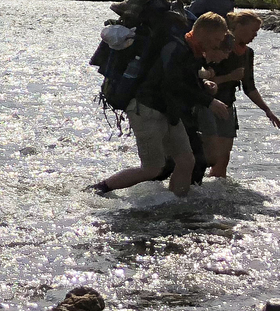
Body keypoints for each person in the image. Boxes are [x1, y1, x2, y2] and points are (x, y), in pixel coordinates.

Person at [96, 12, 233, 198]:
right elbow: (172, 83)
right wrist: (209, 101)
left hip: (169, 112)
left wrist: (204, 87)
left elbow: (186, 83)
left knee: (186, 161)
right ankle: (100, 189)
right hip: (146, 109)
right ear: (203, 32)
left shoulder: (192, 52)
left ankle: (177, 205)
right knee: (152, 169)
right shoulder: (176, 49)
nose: (218, 44)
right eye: (216, 39)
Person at [199, 11, 280, 177]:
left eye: (257, 31)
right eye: (253, 31)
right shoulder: (218, 45)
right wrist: (230, 77)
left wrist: (267, 110)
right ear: (238, 27)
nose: (255, 35)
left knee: (223, 160)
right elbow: (201, 80)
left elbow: (249, 87)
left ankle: (218, 196)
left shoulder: (248, 53)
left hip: (228, 106)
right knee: (210, 157)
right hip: (207, 104)